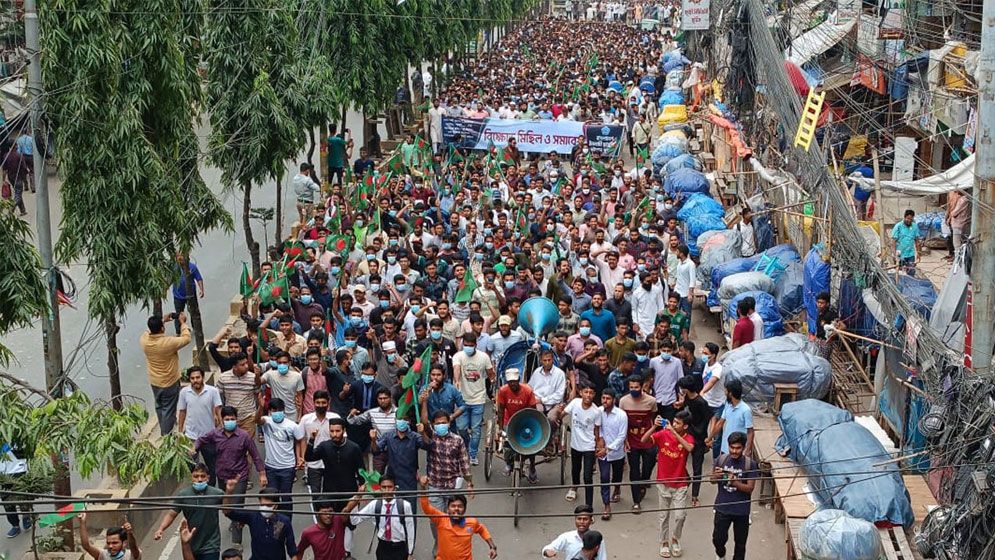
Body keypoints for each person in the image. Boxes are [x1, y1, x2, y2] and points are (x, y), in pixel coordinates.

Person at [194, 405, 266, 546]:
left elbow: (256, 456)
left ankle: (236, 543)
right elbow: (201, 440)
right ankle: (234, 519)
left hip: (240, 477)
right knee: (226, 508)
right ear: (222, 420)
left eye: (232, 419)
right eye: (227, 419)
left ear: (236, 420)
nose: (230, 421)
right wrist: (193, 448)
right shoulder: (215, 434)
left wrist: (262, 474)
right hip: (222, 476)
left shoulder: (244, 436)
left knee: (236, 508)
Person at [641, 411, 694, 558]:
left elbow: (689, 448)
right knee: (663, 516)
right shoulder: (663, 434)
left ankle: (675, 539)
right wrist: (654, 427)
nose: (674, 424)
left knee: (680, 516)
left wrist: (674, 433)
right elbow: (644, 440)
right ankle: (664, 542)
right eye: (674, 421)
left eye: (678, 423)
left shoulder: (688, 438)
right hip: (663, 483)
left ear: (685, 426)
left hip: (681, 484)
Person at [153, 463, 224, 560]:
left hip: (211, 545)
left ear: (208, 478)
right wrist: (160, 529)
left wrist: (230, 491)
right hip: (191, 542)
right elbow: (171, 514)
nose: (199, 479)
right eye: (196, 476)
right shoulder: (184, 495)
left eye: (202, 476)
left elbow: (228, 509)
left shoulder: (217, 493)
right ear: (191, 478)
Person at [418, 476, 497, 560]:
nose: (456, 508)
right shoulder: (441, 519)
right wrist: (423, 488)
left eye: (460, 506)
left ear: (465, 509)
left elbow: (482, 529)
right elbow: (426, 508)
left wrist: (492, 546)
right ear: (448, 509)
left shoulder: (472, 523)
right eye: (453, 506)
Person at [140, 313, 191, 435]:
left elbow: (148, 331)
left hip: (154, 381)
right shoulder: (167, 343)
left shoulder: (144, 341)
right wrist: (183, 323)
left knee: (159, 406)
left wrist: (162, 320)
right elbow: (187, 338)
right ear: (162, 328)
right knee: (169, 409)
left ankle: (166, 426)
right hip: (169, 382)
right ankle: (166, 435)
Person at [710, 431, 758, 560]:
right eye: (732, 447)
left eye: (738, 448)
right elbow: (712, 480)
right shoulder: (721, 459)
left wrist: (734, 482)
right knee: (718, 539)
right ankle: (721, 555)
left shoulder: (750, 464)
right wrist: (717, 476)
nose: (734, 451)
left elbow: (749, 489)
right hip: (722, 508)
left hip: (741, 511)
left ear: (743, 448)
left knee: (740, 545)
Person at [255, 398, 304, 517]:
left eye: (279, 410)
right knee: (272, 497)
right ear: (270, 411)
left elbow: (300, 440)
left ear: (284, 410)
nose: (277, 412)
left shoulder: (292, 426)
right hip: (271, 467)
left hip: (287, 467)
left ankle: (286, 521)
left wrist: (300, 457)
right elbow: (256, 420)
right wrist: (261, 407)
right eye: (274, 410)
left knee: (286, 497)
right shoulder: (267, 421)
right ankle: (273, 521)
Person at [222, 482, 297, 560]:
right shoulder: (253, 516)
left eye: (268, 505)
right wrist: (228, 492)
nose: (264, 507)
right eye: (262, 505)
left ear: (276, 506)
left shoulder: (283, 521)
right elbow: (227, 512)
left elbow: (292, 549)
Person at [350, 475, 417, 560]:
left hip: (400, 548)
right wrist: (357, 497)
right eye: (384, 487)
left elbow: (410, 530)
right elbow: (354, 520)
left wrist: (410, 553)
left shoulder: (404, 505)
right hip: (383, 548)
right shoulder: (375, 505)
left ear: (395, 488)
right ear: (380, 488)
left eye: (390, 487)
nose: (387, 490)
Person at [304, 417, 364, 513]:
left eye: (337, 431)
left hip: (349, 492)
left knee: (349, 524)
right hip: (329, 492)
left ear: (344, 430)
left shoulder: (354, 448)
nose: (334, 434)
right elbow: (309, 458)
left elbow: (361, 470)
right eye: (332, 431)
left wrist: (361, 487)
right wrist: (312, 440)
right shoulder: (324, 446)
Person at [452, 331, 495, 465]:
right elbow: (456, 368)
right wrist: (457, 380)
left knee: (476, 430)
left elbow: (490, 373)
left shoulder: (484, 357)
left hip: (478, 399)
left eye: (470, 345)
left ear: (475, 345)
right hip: (462, 399)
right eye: (466, 345)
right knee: (462, 428)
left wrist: (493, 381)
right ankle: (465, 446)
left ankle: (472, 455)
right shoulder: (458, 356)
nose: (468, 347)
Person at [494, 368, 540, 480]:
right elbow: (500, 409)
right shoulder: (503, 391)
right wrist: (500, 429)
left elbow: (533, 410)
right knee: (507, 443)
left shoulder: (528, 391)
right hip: (509, 420)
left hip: (525, 420)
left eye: (514, 381)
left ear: (518, 380)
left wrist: (532, 426)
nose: (512, 384)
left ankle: (532, 467)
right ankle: (509, 463)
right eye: (510, 382)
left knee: (531, 444)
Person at [619, 375, 656, 512]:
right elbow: (622, 423)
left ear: (642, 387)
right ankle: (636, 501)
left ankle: (644, 481)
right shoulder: (623, 401)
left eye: (636, 387)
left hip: (647, 439)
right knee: (634, 471)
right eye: (631, 387)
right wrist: (625, 440)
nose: (634, 390)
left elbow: (653, 419)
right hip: (632, 441)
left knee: (648, 464)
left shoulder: (651, 401)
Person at [675, 375, 713, 506]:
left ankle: (695, 495)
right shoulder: (687, 399)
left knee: (697, 468)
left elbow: (709, 418)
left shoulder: (701, 402)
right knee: (680, 461)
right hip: (687, 436)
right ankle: (686, 480)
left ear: (687, 389)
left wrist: (707, 437)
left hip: (698, 439)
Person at [561, 384, 602, 506]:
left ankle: (589, 507)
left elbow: (596, 430)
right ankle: (574, 487)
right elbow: (563, 413)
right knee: (575, 469)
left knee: (587, 477)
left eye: (591, 393)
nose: (588, 395)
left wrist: (597, 446)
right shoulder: (575, 403)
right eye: (586, 392)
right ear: (581, 393)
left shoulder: (596, 411)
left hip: (588, 446)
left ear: (594, 395)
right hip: (575, 444)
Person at [298, 390, 340, 498]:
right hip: (313, 464)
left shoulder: (335, 418)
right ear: (313, 403)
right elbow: (302, 440)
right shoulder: (306, 419)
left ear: (328, 403)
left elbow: (341, 439)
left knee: (331, 493)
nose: (320, 405)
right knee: (315, 494)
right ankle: (317, 515)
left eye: (323, 403)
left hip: (332, 462)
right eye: (318, 403)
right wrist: (302, 458)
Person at [177, 367, 223, 458]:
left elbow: (218, 409)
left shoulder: (213, 391)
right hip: (191, 437)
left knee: (212, 465)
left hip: (209, 436)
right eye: (192, 378)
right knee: (191, 466)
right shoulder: (184, 392)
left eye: (198, 377)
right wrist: (180, 432)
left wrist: (222, 427)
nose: (195, 380)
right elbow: (182, 412)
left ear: (203, 377)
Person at [595, 388, 626, 520]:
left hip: (617, 452)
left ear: (614, 400)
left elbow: (622, 436)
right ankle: (606, 505)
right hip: (603, 452)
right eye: (603, 398)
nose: (605, 401)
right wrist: (599, 440)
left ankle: (617, 488)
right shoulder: (599, 411)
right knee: (604, 477)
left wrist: (608, 448)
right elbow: (597, 427)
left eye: (608, 399)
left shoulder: (621, 415)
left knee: (617, 475)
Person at [297, 499, 364, 560]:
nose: (328, 515)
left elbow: (347, 509)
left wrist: (360, 493)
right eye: (324, 512)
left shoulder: (338, 521)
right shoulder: (308, 533)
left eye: (330, 511)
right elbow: (299, 551)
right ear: (317, 513)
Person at [706, 379, 754, 458]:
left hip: (738, 450)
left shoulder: (746, 410)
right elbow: (720, 423)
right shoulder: (728, 405)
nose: (725, 393)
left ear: (730, 394)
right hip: (725, 448)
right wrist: (709, 438)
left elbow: (750, 432)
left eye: (726, 391)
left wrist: (747, 450)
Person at [541, 505, 607, 560]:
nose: (582, 522)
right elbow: (548, 548)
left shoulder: (597, 539)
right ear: (575, 520)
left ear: (591, 520)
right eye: (579, 519)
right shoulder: (567, 537)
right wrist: (548, 552)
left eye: (585, 519)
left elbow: (602, 558)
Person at [699, 343, 727, 462]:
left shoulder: (718, 369)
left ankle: (717, 461)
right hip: (707, 403)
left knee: (716, 435)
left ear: (714, 355)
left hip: (717, 405)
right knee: (701, 429)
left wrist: (701, 392)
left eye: (706, 354)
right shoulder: (706, 364)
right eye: (703, 353)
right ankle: (702, 449)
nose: (703, 356)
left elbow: (711, 382)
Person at [171, 253, 205, 334]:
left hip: (191, 294)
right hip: (178, 295)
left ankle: (196, 329)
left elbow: (199, 278)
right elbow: (170, 279)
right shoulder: (174, 268)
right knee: (178, 314)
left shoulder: (192, 267)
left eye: (181, 255)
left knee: (194, 312)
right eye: (177, 256)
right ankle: (178, 331)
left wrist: (201, 289)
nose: (179, 258)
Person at [649, 339, 683, 420]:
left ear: (672, 351)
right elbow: (650, 379)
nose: (666, 353)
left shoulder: (677, 362)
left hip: (670, 400)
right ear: (660, 350)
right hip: (656, 398)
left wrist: (681, 397)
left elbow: (681, 380)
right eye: (664, 350)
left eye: (669, 351)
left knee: (667, 426)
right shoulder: (653, 361)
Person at [891, 209, 922, 276]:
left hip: (910, 254)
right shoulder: (898, 227)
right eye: (908, 219)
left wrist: (919, 253)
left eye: (911, 219)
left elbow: (917, 241)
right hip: (900, 254)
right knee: (899, 273)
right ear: (904, 217)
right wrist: (894, 254)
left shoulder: (914, 226)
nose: (909, 221)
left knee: (911, 272)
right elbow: (893, 242)